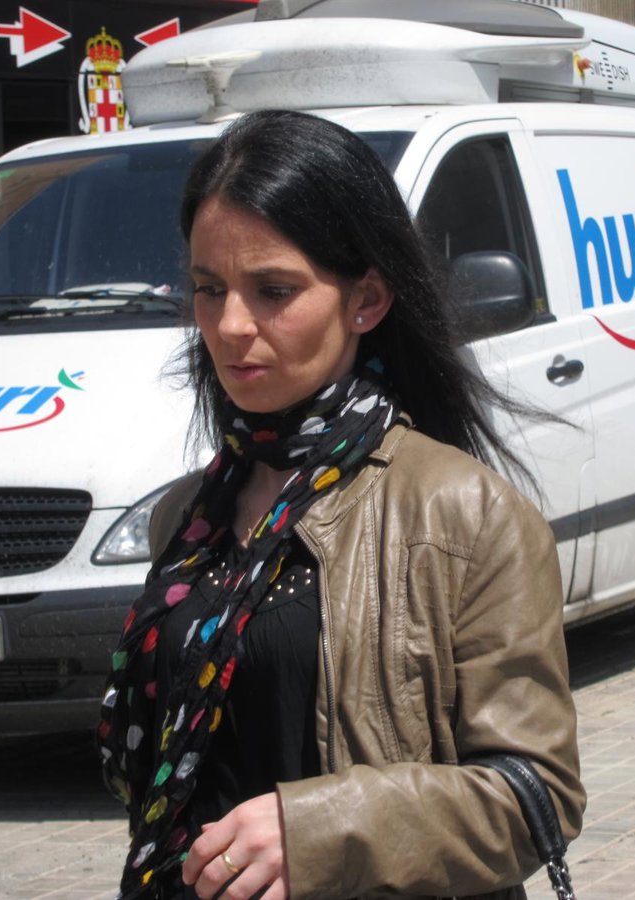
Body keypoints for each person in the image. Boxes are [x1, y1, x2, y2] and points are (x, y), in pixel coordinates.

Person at [96, 108, 584, 900]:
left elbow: (538, 799)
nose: (230, 325)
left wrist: (319, 831)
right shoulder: (187, 517)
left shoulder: (465, 516)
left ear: (367, 300)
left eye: (274, 291)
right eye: (209, 289)